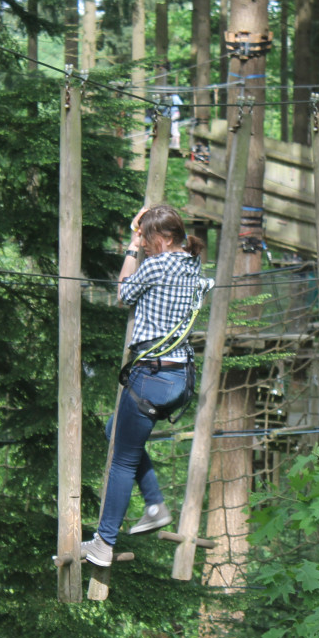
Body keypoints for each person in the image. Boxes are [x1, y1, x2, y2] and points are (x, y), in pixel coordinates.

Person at [81, 204, 208, 566]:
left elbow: (122, 294)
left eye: (151, 239)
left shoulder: (155, 264)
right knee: (114, 431)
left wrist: (131, 247)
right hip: (179, 378)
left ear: (165, 238)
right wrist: (144, 228)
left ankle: (103, 543)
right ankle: (154, 504)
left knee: (122, 460)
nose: (146, 245)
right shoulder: (190, 262)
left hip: (151, 377)